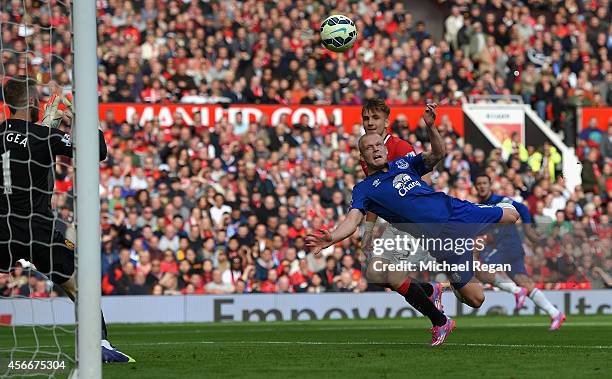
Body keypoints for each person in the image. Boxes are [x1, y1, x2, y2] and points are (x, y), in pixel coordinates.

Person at [307, 105, 520, 346]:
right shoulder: (364, 190)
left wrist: (431, 127)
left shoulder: (404, 164)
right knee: (475, 299)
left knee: (512, 216)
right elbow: (353, 219)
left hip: (457, 213)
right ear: (362, 157)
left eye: (378, 145)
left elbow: (437, 154)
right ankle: (445, 300)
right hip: (443, 243)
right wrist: (333, 237)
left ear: (385, 148)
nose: (375, 149)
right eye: (368, 148)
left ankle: (499, 204)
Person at [0, 76, 134, 363]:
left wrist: (52, 116)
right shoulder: (42, 137)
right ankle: (100, 345)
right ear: (34, 102)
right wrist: (82, 117)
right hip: (38, 229)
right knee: (78, 287)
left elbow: (26, 145)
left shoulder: (13, 134)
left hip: (3, 226)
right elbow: (97, 152)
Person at [359, 99, 444, 311]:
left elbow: (418, 184)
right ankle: (431, 291)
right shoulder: (368, 152)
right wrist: (367, 231)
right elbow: (373, 196)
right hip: (397, 223)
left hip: (416, 219)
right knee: (375, 274)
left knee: (473, 296)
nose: (370, 122)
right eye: (366, 118)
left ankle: (439, 318)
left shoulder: (401, 147)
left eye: (375, 118)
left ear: (386, 122)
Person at [474, 174, 566, 330]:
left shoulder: (499, 200)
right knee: (525, 282)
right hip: (510, 247)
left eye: (484, 183)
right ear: (475, 187)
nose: (482, 186)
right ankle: (555, 313)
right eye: (479, 184)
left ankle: (516, 291)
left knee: (479, 271)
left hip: (507, 246)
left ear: (490, 185)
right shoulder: (480, 206)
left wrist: (528, 228)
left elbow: (522, 208)